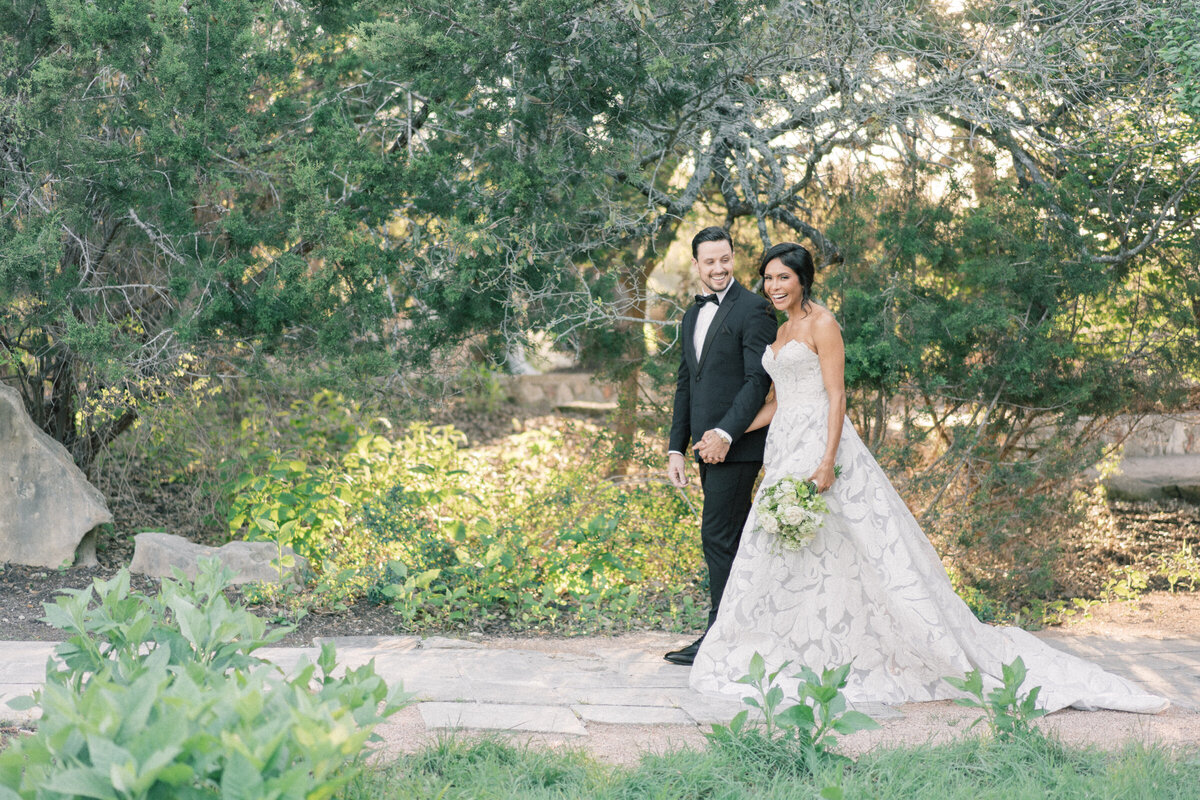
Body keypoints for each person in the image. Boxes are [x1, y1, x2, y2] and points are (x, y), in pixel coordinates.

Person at [689, 242, 1168, 713]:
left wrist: (828, 459)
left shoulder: (822, 323)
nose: (774, 286)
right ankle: (803, 644)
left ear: (802, 279)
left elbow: (836, 395)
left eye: (783, 277)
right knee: (792, 549)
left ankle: (879, 648)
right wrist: (725, 434)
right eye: (768, 278)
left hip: (820, 445)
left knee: (854, 546)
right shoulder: (779, 330)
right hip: (784, 448)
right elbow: (777, 404)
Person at [664, 227, 779, 666]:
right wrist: (678, 447)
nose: (718, 268)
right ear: (696, 264)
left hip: (738, 446)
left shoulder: (754, 309)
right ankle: (742, 633)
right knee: (731, 541)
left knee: (718, 537)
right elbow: (685, 384)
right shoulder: (692, 315)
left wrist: (727, 434)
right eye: (709, 261)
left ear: (735, 258)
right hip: (703, 448)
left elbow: (758, 381)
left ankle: (719, 640)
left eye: (725, 259)